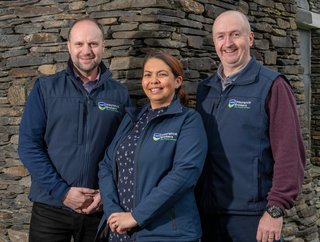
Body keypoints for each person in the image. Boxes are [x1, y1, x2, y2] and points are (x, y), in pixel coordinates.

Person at [195, 10, 305, 242]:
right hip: (207, 215)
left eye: (235, 34)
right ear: (214, 41)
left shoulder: (271, 86)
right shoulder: (206, 89)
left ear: (250, 38)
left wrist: (275, 209)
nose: (228, 44)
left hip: (253, 218)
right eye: (221, 36)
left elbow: (290, 154)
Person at [18, 17, 131, 242]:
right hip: (51, 207)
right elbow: (29, 146)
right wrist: (63, 193)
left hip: (97, 209)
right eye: (79, 44)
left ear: (103, 47)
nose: (86, 50)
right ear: (69, 46)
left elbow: (124, 151)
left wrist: (104, 194)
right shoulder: (46, 88)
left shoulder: (119, 94)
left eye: (93, 44)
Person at [97, 51, 207, 241]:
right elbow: (106, 165)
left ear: (178, 81)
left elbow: (184, 174)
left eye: (162, 74)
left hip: (165, 233)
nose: (153, 80)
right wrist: (113, 211)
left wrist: (135, 217)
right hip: (119, 230)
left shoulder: (188, 121)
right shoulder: (131, 119)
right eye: (148, 74)